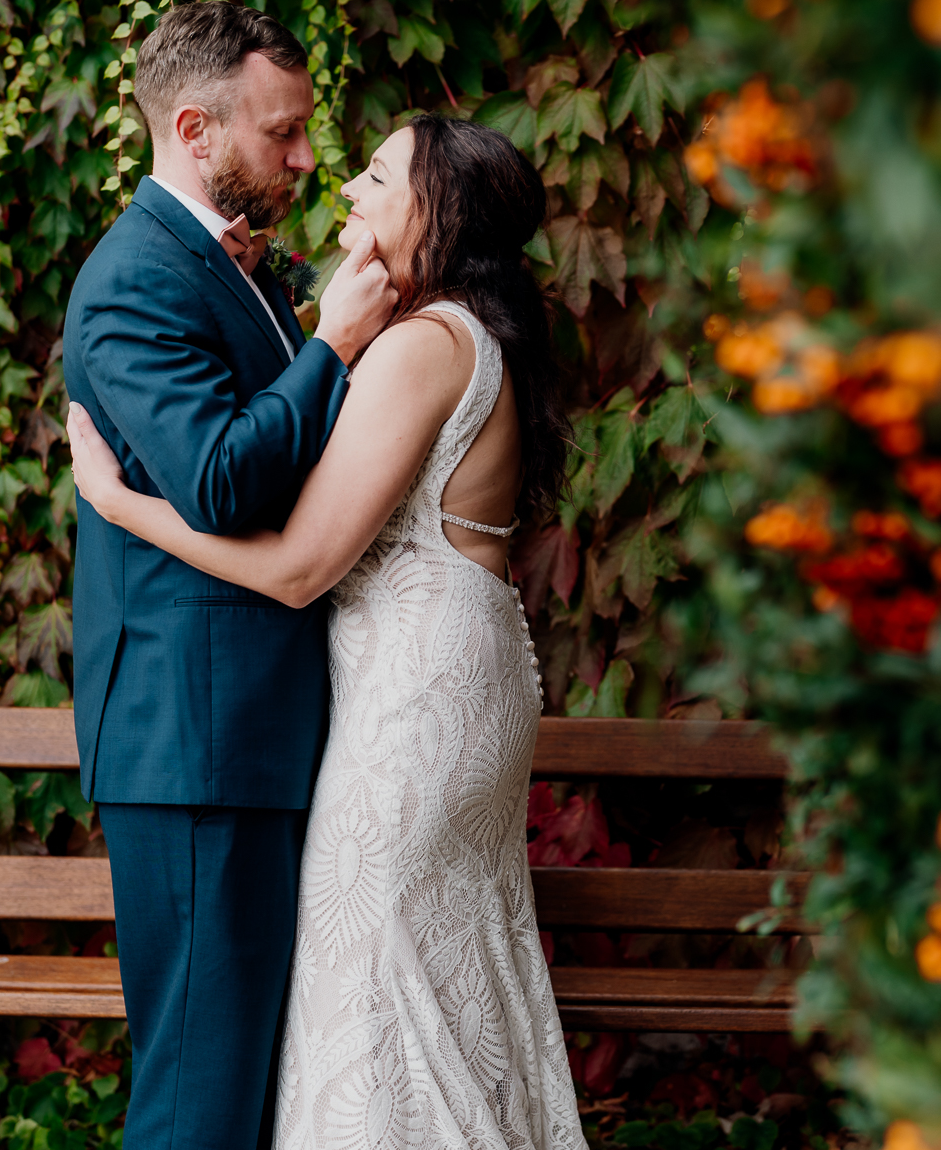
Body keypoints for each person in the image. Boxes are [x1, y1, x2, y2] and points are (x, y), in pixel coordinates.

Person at [68, 113, 584, 1150]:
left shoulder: (420, 348)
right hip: (457, 674)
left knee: (379, 982)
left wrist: (121, 507)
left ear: (437, 212)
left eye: (379, 174)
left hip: (412, 702)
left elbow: (304, 565)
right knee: (436, 975)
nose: (344, 184)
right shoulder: (468, 332)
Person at [61, 0, 397, 1150]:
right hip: (194, 742)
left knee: (250, 1082)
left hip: (242, 731)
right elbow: (219, 480)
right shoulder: (131, 281)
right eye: (283, 133)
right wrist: (333, 345)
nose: (308, 156)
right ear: (196, 129)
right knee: (199, 1099)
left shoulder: (234, 261)